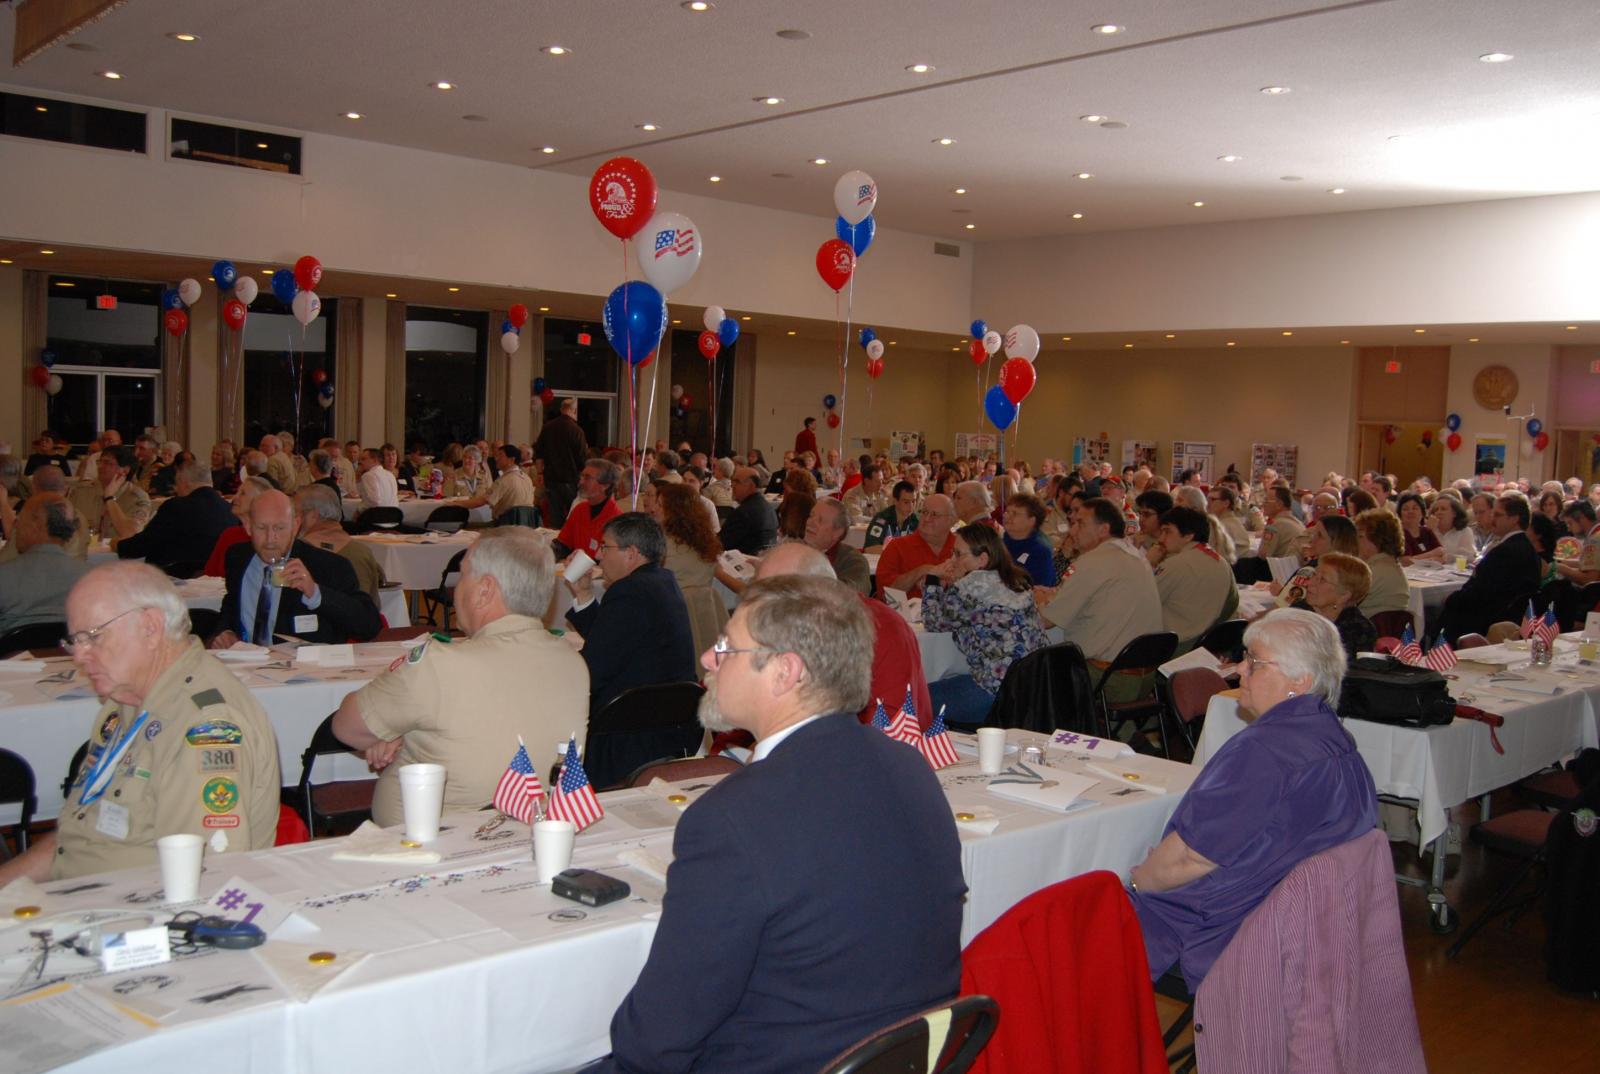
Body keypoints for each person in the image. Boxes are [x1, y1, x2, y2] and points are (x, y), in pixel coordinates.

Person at [598, 574, 965, 1074]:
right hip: (903, 1058)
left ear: (784, 672)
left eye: (726, 646)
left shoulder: (734, 817)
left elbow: (654, 1044)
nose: (707, 658)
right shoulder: (909, 767)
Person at [1129, 608, 1377, 987]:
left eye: (1256, 662)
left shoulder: (1264, 752)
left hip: (1227, 930)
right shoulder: (1338, 741)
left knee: (1066, 920)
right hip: (1306, 925)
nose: (1240, 669)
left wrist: (1136, 883)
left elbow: (1191, 858)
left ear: (1300, 680)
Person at [0, 563, 281, 883]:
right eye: (74, 641)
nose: (78, 656)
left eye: (92, 637)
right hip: (79, 889)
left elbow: (202, 880)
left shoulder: (205, 726)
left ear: (150, 627)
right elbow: (76, 840)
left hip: (129, 905)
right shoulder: (124, 699)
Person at [331, 529, 588, 825]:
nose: (455, 588)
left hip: (429, 840)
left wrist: (396, 734)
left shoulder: (439, 665)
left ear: (485, 590)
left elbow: (346, 726)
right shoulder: (573, 663)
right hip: (534, 834)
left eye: (463, 574)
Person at [565, 512, 698, 717]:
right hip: (671, 713)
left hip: (633, 719)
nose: (598, 555)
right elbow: (609, 640)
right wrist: (584, 593)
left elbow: (593, 670)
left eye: (605, 546)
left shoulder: (630, 590)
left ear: (631, 553)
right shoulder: (664, 581)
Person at [211, 489, 381, 647]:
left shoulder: (328, 566)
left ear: (295, 525)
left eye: (279, 528)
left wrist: (316, 593)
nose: (270, 539)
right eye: (261, 528)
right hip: (246, 664)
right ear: (248, 526)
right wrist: (226, 631)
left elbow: (369, 626)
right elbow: (231, 603)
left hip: (305, 666)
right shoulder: (238, 558)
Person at [922, 522, 1051, 725]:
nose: (952, 560)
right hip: (1032, 691)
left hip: (994, 694)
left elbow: (933, 621)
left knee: (915, 699)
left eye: (958, 554)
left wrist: (932, 579)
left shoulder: (971, 585)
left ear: (982, 559)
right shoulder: (1016, 580)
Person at [1037, 497, 1163, 702]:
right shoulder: (1136, 555)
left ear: (1104, 529)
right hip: (1145, 677)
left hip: (1107, 678)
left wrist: (1039, 599)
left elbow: (1046, 621)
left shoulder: (1093, 561)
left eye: (1080, 523)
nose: (1073, 530)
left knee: (1033, 670)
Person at [1438, 494, 1542, 642]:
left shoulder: (1505, 551)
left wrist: (1452, 599)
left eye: (1498, 515)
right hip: (1510, 616)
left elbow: (1482, 593)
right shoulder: (1526, 547)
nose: (1492, 519)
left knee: (1443, 614)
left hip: (1489, 619)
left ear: (1515, 519)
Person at [114, 460, 236, 576]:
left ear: (183, 482)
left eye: (176, 483)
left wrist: (119, 546)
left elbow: (144, 544)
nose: (176, 489)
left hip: (172, 576)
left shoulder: (176, 506)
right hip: (213, 578)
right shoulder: (230, 509)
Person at [655, 483, 728, 663]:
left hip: (668, 622)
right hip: (704, 620)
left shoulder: (661, 548)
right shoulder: (705, 543)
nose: (655, 509)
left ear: (674, 511)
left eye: (660, 505)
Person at [1149, 506, 1238, 652]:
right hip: (1207, 644)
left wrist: (1148, 564)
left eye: (1167, 531)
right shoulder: (1221, 562)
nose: (1161, 538)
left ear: (1188, 536)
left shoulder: (1176, 565)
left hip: (1173, 646)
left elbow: (1142, 601)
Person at [0, 496, 87, 637]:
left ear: (36, 524)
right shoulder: (91, 578)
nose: (16, 527)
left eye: (19, 521)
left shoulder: (4, 576)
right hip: (70, 650)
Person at [295, 484, 387, 605]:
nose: (293, 519)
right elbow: (373, 605)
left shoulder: (299, 552)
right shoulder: (363, 552)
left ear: (313, 516)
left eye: (295, 513)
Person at [1291, 551, 1377, 662]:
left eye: (1322, 580)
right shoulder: (1297, 611)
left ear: (1344, 596)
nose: (1309, 582)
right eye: (1314, 575)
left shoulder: (1358, 630)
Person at [876, 493, 957, 597]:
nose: (927, 519)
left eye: (934, 514)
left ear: (951, 520)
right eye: (924, 512)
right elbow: (885, 595)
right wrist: (922, 571)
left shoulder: (962, 548)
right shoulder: (897, 547)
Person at [69, 445, 151, 542]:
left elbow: (130, 534)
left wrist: (109, 498)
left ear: (125, 470)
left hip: (115, 550)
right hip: (83, 548)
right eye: (100, 462)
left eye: (108, 463)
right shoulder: (81, 491)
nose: (100, 466)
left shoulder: (137, 498)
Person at [535, 397, 590, 529]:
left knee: (555, 517)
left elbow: (539, 454)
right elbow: (582, 458)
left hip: (551, 479)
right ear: (574, 411)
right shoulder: (576, 430)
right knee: (574, 514)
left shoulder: (547, 427)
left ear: (561, 409)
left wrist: (540, 473)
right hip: (571, 479)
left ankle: (557, 539)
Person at [553, 458, 624, 561]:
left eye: (587, 478)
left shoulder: (616, 520)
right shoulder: (579, 510)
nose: (581, 482)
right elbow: (563, 544)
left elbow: (610, 561)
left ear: (605, 486)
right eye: (581, 476)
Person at [203, 476, 272, 577]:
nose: (235, 498)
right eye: (237, 492)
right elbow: (209, 573)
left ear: (259, 502)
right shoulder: (229, 535)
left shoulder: (268, 539)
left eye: (242, 494)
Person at [801, 497, 871, 595]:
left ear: (837, 532)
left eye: (820, 520)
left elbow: (852, 593)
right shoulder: (792, 550)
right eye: (811, 516)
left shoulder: (853, 560)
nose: (810, 522)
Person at [453, 443, 536, 521]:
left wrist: (453, 503)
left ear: (511, 460)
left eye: (500, 456)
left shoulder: (503, 481)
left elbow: (480, 502)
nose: (496, 458)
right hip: (526, 525)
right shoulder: (527, 478)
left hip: (505, 526)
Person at [1353, 508, 1409, 619]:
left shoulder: (1372, 572)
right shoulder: (1392, 566)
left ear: (1377, 539)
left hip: (1370, 626)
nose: (1356, 541)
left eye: (1360, 536)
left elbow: (1341, 602)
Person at [999, 492, 1057, 587]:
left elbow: (1043, 589)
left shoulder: (1041, 553)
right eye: (1007, 511)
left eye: (1015, 513)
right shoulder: (997, 544)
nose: (1006, 516)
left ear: (1032, 520)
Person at [718, 465, 778, 556]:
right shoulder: (769, 508)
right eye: (732, 481)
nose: (732, 486)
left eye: (737, 482)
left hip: (743, 561)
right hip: (764, 558)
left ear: (752, 486)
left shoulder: (743, 513)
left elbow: (720, 544)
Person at [1409, 495, 1476, 564]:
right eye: (1436, 510)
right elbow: (1419, 555)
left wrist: (1445, 558)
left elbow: (1469, 557)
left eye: (1443, 509)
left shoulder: (1464, 531)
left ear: (1454, 513)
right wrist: (1430, 531)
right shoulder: (1427, 530)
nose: (1439, 512)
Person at [1253, 486, 1306, 559]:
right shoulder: (1298, 523)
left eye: (1266, 501)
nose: (1263, 504)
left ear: (1279, 505)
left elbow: (1262, 556)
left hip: (1278, 565)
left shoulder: (1274, 525)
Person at [864, 479, 918, 550]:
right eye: (906, 502)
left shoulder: (914, 520)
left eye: (913, 501)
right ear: (895, 501)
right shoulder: (882, 519)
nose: (911, 506)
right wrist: (898, 551)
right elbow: (870, 548)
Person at [1395, 492, 1440, 560]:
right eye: (1405, 509)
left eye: (1415, 508)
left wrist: (1419, 559)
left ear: (1422, 513)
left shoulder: (1426, 531)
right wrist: (1433, 555)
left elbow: (1442, 554)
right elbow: (1406, 561)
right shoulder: (1399, 534)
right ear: (1400, 514)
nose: (1410, 511)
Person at [356, 447, 400, 511]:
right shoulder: (390, 475)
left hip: (376, 515)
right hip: (393, 515)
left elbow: (374, 501)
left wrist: (359, 509)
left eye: (363, 459)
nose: (360, 462)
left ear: (375, 460)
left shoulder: (368, 475)